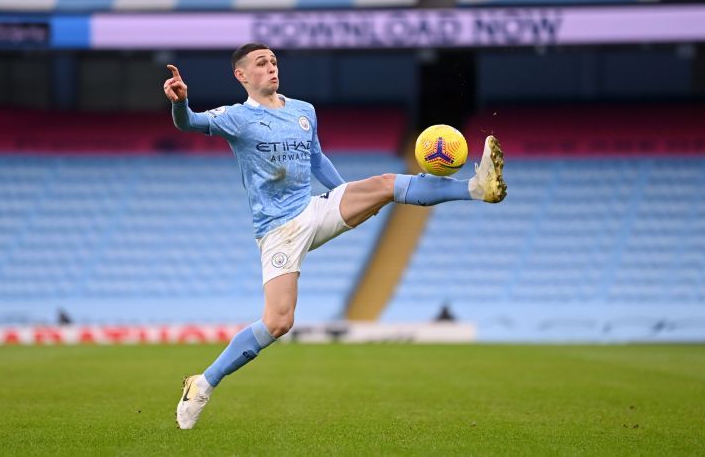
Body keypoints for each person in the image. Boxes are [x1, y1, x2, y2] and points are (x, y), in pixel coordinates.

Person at [163, 43, 507, 429]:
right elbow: (188, 123)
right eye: (261, 64)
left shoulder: (302, 111)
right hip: (278, 229)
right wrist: (180, 103)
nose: (271, 68)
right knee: (278, 322)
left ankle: (477, 188)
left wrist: (348, 196)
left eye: (274, 61)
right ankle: (203, 382)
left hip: (314, 207)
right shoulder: (236, 118)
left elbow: (316, 161)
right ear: (241, 75)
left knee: (384, 184)